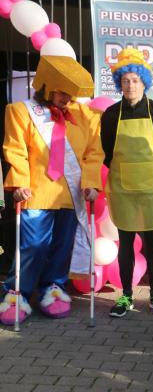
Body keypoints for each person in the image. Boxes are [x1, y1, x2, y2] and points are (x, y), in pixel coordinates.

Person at [0, 56, 103, 325]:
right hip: (35, 192)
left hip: (70, 194)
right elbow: (15, 150)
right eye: (61, 92)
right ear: (45, 86)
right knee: (32, 246)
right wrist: (20, 183)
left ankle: (53, 289)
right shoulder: (20, 111)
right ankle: (16, 292)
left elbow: (94, 153)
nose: (67, 98)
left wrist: (91, 183)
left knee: (62, 245)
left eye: (71, 93)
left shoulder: (87, 117)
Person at [101, 48, 153, 318]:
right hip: (123, 188)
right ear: (119, 83)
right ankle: (125, 295)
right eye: (125, 81)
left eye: (135, 80)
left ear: (144, 82)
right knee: (125, 243)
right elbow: (107, 151)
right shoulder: (111, 115)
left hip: (152, 190)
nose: (130, 85)